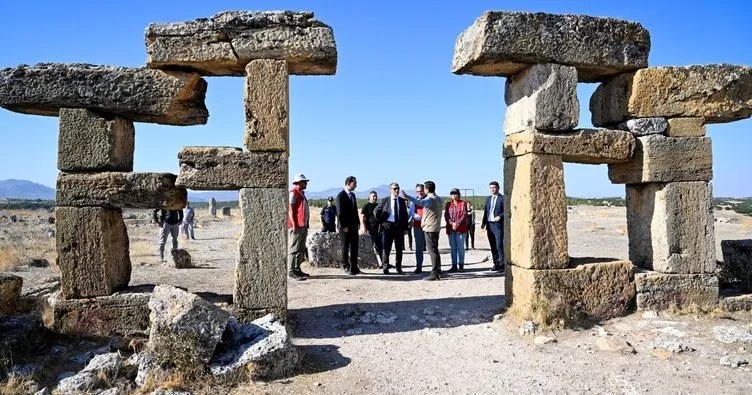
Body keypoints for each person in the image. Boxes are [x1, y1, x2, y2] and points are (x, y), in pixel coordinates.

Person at [402, 181, 443, 281]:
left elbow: (420, 202)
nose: (422, 191)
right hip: (435, 227)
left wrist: (407, 196)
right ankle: (438, 270)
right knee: (435, 249)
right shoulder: (438, 198)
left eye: (423, 189)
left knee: (431, 250)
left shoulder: (429, 199)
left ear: (427, 189)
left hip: (429, 228)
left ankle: (434, 273)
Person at [375, 182, 409, 274]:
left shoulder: (402, 201)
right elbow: (376, 212)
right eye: (394, 189)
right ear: (390, 190)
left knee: (399, 248)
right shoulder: (385, 200)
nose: (397, 190)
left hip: (399, 227)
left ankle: (398, 267)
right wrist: (382, 222)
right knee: (386, 248)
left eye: (398, 188)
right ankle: (385, 267)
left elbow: (405, 215)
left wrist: (406, 228)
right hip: (388, 227)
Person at [336, 176, 363, 275]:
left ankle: (354, 267)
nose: (356, 185)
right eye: (354, 183)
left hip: (353, 226)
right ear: (349, 183)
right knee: (345, 247)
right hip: (345, 227)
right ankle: (345, 265)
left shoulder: (353, 195)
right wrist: (344, 226)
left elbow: (355, 210)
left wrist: (358, 223)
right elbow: (340, 213)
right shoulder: (341, 196)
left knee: (354, 247)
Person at [288, 173, 311, 280]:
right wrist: (294, 224)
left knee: (300, 248)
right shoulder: (293, 194)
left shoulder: (302, 193)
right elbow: (291, 210)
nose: (306, 183)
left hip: (303, 225)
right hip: (296, 226)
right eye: (304, 181)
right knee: (294, 248)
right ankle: (291, 270)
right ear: (298, 183)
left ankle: (297, 269)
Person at [481, 181, 504, 273]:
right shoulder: (488, 199)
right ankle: (496, 264)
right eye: (491, 188)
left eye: (494, 187)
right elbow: (486, 211)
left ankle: (502, 265)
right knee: (493, 245)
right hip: (489, 225)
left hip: (498, 225)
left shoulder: (502, 198)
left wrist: (500, 216)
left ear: (498, 188)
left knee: (499, 245)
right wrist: (483, 222)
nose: (492, 189)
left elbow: (507, 210)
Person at [444, 188, 467, 272]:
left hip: (460, 229)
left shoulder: (463, 203)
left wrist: (457, 223)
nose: (454, 195)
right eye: (452, 193)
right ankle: (454, 265)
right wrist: (451, 223)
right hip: (451, 229)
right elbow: (446, 215)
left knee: (460, 247)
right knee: (453, 247)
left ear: (458, 194)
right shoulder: (448, 204)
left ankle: (461, 264)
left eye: (455, 193)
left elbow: (464, 215)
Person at [360, 191, 383, 266]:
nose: (375, 197)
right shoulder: (366, 206)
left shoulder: (378, 205)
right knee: (369, 246)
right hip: (370, 229)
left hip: (379, 229)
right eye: (373, 196)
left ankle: (384, 263)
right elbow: (362, 217)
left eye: (376, 196)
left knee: (380, 247)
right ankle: (369, 263)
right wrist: (363, 227)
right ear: (369, 197)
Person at [410, 183, 427, 273]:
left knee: (432, 247)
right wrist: (419, 218)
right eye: (417, 191)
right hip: (417, 226)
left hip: (428, 226)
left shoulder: (428, 199)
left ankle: (435, 267)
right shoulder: (414, 201)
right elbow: (412, 212)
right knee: (418, 247)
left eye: (421, 191)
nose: (419, 193)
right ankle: (419, 266)